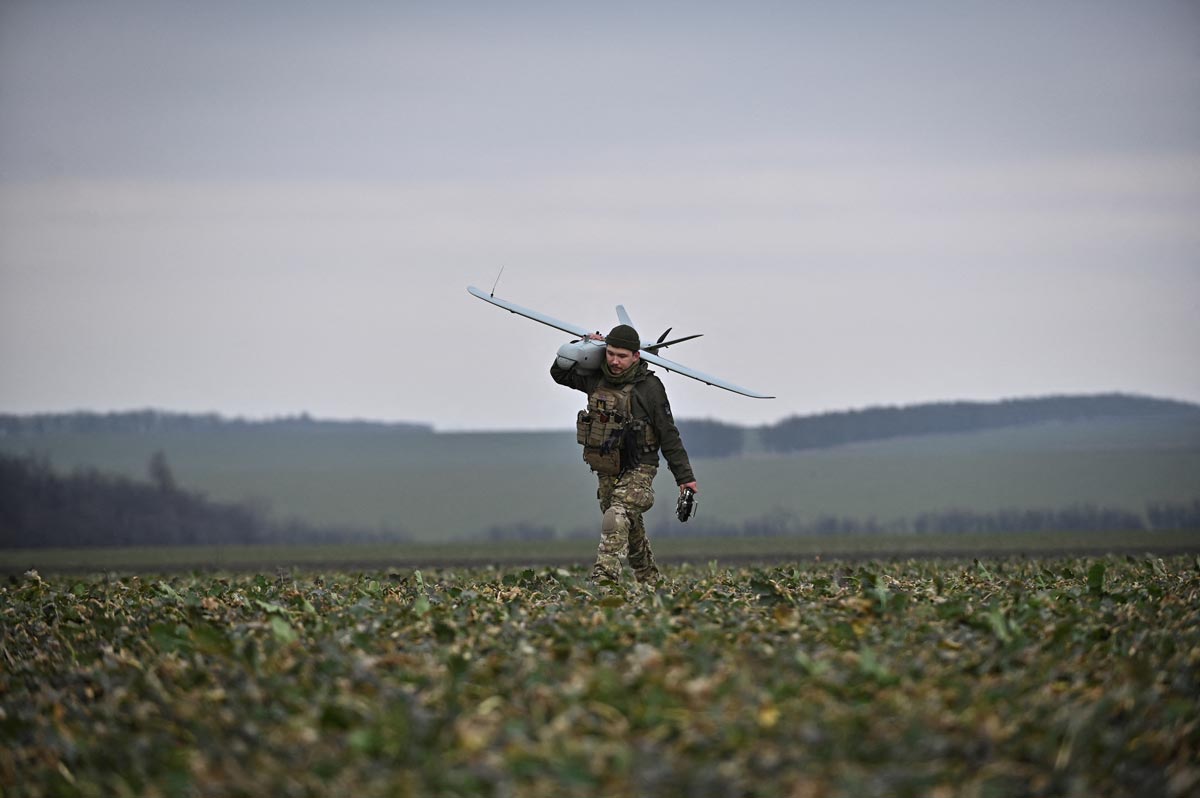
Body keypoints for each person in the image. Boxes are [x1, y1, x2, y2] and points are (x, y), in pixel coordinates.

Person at [551, 323, 699, 585]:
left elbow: (668, 433)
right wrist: (583, 346)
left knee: (616, 517)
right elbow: (559, 374)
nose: (615, 361)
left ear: (636, 356)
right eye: (610, 354)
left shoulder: (650, 387)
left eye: (622, 356)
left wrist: (684, 477)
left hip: (641, 465)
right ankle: (650, 580)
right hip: (608, 465)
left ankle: (603, 581)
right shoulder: (596, 377)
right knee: (628, 526)